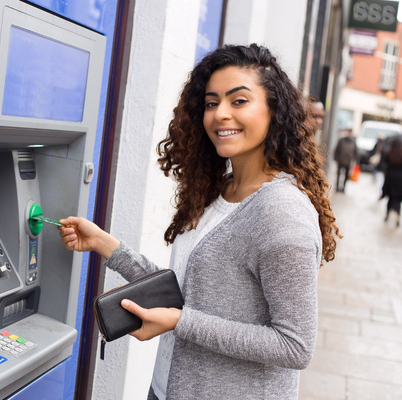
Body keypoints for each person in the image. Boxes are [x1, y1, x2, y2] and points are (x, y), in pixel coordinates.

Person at [59, 44, 340, 400]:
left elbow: (295, 346)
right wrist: (104, 244)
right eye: (211, 102)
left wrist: (180, 322)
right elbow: (187, 294)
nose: (221, 113)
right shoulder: (221, 189)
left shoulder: (281, 212)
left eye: (239, 101)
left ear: (274, 110)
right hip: (169, 388)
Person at [381, 136, 402, 226]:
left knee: (390, 198)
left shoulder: (390, 153)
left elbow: (385, 162)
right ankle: (398, 215)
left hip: (391, 178)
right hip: (401, 179)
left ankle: (387, 215)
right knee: (398, 199)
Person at [333, 128, 359, 193]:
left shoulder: (353, 142)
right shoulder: (341, 140)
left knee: (346, 176)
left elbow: (356, 152)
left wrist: (356, 161)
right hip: (341, 160)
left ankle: (343, 188)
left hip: (348, 161)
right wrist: (336, 157)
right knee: (339, 174)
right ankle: (337, 187)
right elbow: (337, 149)